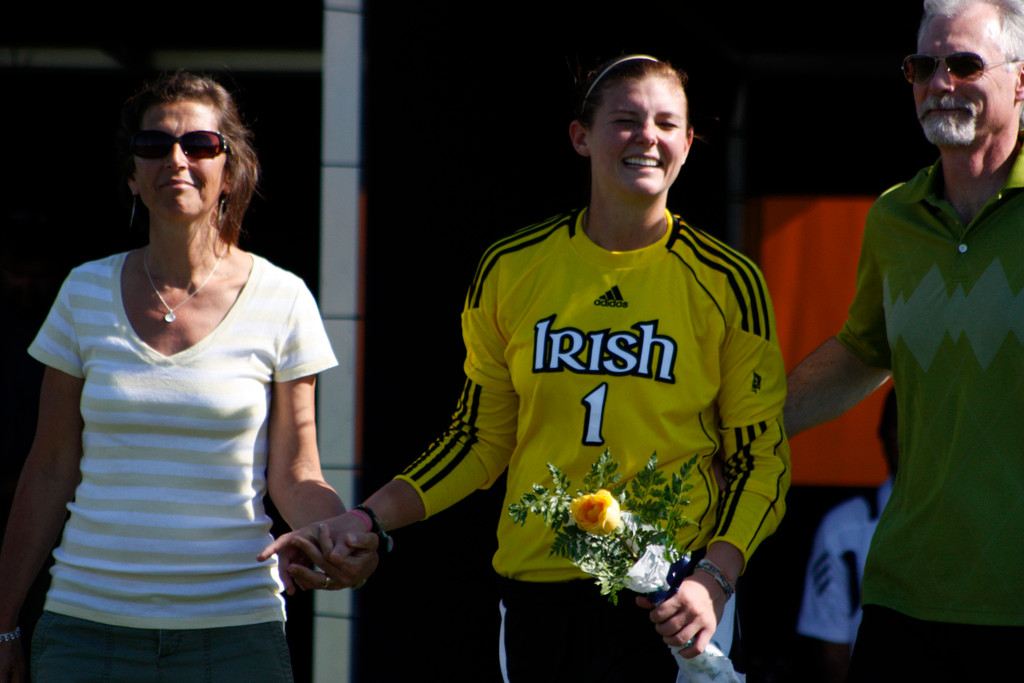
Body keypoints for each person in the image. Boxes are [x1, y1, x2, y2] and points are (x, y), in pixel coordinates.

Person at [263, 55, 791, 681]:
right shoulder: (511, 268)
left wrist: (714, 579)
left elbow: (763, 459)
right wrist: (366, 517)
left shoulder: (729, 282)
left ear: (687, 143)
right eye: (624, 120)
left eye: (667, 124)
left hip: (671, 598)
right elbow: (479, 440)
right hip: (535, 588)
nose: (647, 137)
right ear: (581, 136)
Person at [0, 71, 378, 683]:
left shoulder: (283, 298)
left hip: (235, 635)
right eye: (153, 146)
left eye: (200, 145)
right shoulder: (83, 291)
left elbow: (296, 472)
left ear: (230, 171)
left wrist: (338, 535)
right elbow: (48, 468)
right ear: (132, 175)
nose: (176, 159)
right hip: (86, 629)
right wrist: (4, 621)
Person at [785, 1, 1024, 679]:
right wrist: (738, 430)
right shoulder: (894, 216)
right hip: (905, 593)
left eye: (964, 64)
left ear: (1021, 82)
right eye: (923, 66)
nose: (939, 82)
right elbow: (864, 352)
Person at [795, 388, 897, 682]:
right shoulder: (845, 528)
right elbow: (832, 652)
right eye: (900, 431)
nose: (909, 444)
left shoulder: (974, 520)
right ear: (883, 436)